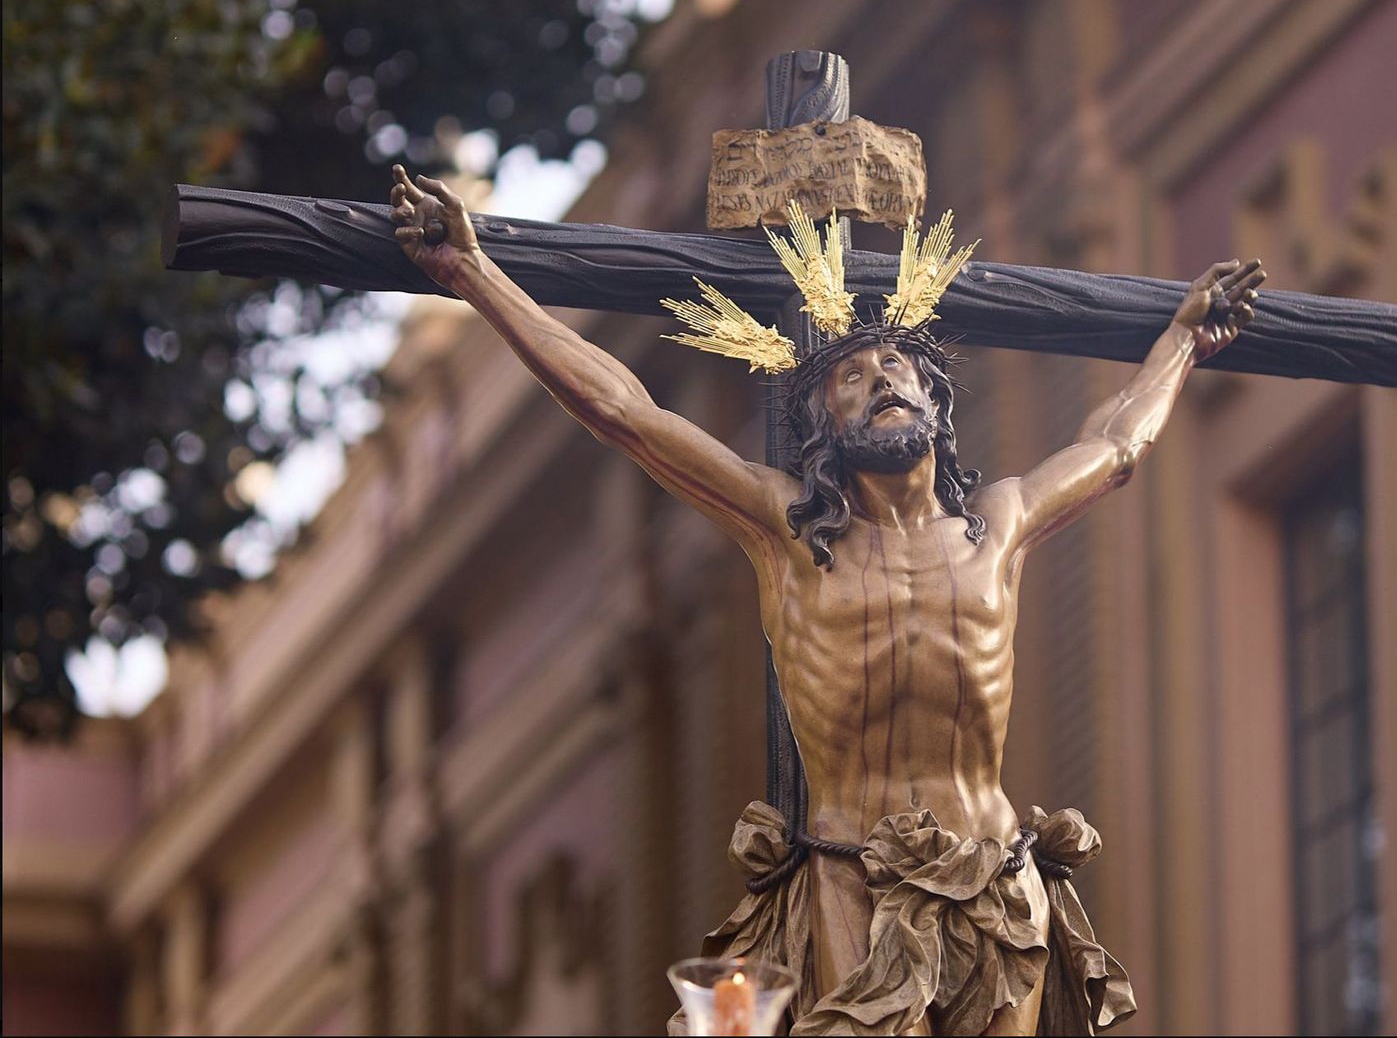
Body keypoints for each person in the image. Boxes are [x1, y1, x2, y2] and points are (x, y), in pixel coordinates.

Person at [390, 164, 1264, 1035]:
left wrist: (1182, 342)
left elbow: (1115, 445)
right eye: (851, 377)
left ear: (934, 400)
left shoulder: (996, 526)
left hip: (997, 872)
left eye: (897, 364)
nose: (880, 379)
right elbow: (626, 411)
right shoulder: (788, 534)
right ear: (825, 426)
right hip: (854, 876)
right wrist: (474, 273)